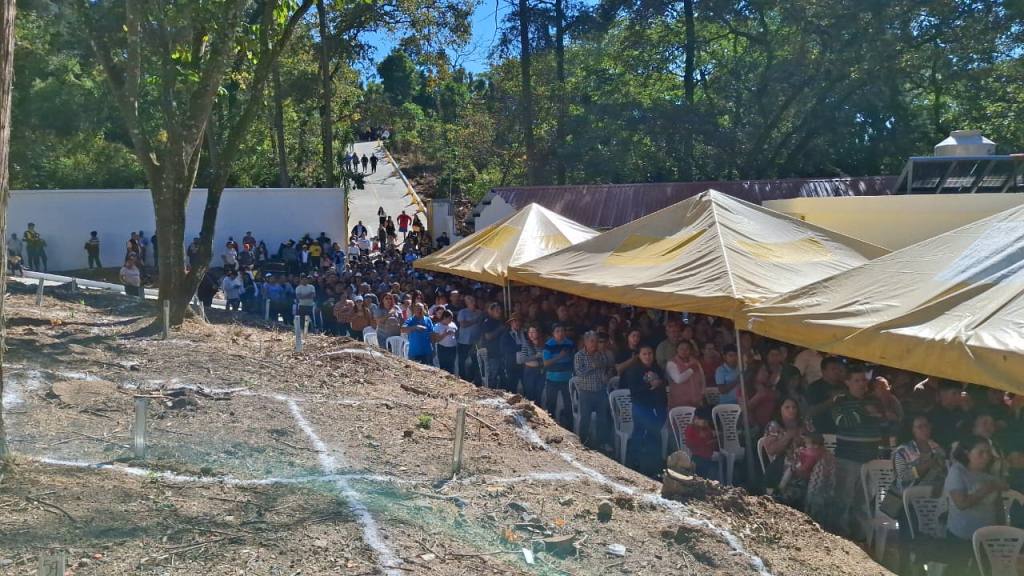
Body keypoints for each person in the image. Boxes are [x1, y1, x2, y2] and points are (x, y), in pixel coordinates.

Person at [831, 364, 887, 539]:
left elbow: (883, 422)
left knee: (863, 502)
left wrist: (867, 414)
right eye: (856, 380)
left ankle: (862, 539)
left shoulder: (874, 401)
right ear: (847, 382)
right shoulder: (840, 401)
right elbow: (842, 421)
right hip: (847, 459)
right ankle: (841, 538)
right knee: (843, 500)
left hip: (870, 460)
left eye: (863, 380)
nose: (861, 384)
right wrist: (863, 413)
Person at [943, 435, 1008, 573]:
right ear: (967, 453)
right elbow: (961, 503)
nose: (986, 457)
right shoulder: (958, 471)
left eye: (988, 453)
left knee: (984, 571)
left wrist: (1001, 530)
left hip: (987, 537)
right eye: (981, 453)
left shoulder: (989, 474)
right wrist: (985, 490)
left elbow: (998, 504)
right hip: (961, 536)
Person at [890, 415, 947, 572]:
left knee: (929, 537)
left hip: (932, 501)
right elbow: (902, 476)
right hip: (906, 502)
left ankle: (923, 567)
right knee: (908, 537)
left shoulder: (937, 449)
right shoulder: (902, 451)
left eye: (926, 425)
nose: (924, 429)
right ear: (912, 430)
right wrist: (925, 465)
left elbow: (944, 473)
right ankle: (904, 568)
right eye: (919, 427)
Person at [621, 344, 668, 475]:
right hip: (641, 406)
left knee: (653, 434)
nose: (648, 356)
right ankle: (634, 462)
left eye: (650, 353)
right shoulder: (634, 370)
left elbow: (663, 385)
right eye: (644, 354)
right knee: (640, 433)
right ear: (639, 356)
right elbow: (634, 390)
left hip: (657, 407)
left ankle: (653, 464)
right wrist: (649, 385)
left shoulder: (657, 368)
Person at [777, 432, 835, 525]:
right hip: (810, 482)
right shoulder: (821, 453)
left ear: (815, 445)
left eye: (807, 444)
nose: (805, 446)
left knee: (791, 488)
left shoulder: (814, 454)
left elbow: (803, 469)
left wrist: (794, 468)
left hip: (807, 483)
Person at [762, 398, 814, 489]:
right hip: (783, 463)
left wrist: (804, 438)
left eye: (794, 407)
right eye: (787, 407)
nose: (792, 410)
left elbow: (816, 440)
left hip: (806, 458)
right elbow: (771, 450)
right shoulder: (774, 426)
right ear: (780, 409)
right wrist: (788, 436)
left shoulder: (803, 424)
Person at [573, 331, 613, 449]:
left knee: (603, 419)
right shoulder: (579, 356)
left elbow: (606, 367)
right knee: (585, 418)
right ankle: (582, 441)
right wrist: (592, 366)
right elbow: (579, 373)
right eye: (592, 341)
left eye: (596, 341)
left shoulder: (600, 355)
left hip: (600, 391)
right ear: (585, 342)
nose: (594, 344)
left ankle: (601, 443)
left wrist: (607, 374)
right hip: (586, 392)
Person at [543, 324, 576, 429]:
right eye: (557, 331)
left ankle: (569, 429)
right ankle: (550, 428)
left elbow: (573, 359)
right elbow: (546, 363)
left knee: (569, 405)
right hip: (552, 380)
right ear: (553, 333)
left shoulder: (570, 343)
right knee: (551, 405)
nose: (560, 333)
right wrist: (559, 357)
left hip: (567, 380)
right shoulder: (548, 344)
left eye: (562, 331)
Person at [805, 356, 846, 434]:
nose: (837, 371)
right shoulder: (814, 387)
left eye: (838, 369)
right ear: (823, 371)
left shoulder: (844, 386)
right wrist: (832, 401)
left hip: (842, 431)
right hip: (822, 431)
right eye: (833, 369)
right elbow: (811, 411)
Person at [666, 340, 705, 411]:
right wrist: (691, 370)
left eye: (687, 349)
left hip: (696, 400)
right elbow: (678, 380)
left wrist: (702, 393)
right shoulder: (671, 363)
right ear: (677, 350)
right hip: (679, 401)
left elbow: (702, 378)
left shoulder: (695, 362)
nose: (684, 351)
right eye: (681, 349)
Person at [456, 295, 483, 382]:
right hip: (464, 341)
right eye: (470, 301)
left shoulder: (479, 312)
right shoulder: (462, 312)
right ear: (466, 303)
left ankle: (477, 380)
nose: (472, 302)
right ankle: (462, 379)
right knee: (462, 361)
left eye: (473, 300)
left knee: (476, 361)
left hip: (475, 342)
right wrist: (475, 321)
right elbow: (462, 324)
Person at [685, 412, 719, 480]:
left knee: (706, 475)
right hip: (697, 456)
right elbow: (689, 443)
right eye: (703, 422)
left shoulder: (706, 428)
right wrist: (700, 438)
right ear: (696, 419)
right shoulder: (691, 428)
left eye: (706, 422)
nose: (705, 424)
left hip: (707, 456)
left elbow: (710, 439)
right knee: (697, 475)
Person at [480, 303, 507, 389]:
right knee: (492, 377)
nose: (499, 311)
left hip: (501, 354)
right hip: (491, 354)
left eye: (500, 309)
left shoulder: (500, 321)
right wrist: (500, 329)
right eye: (497, 310)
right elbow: (488, 336)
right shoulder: (488, 322)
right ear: (490, 311)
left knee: (502, 376)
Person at [519, 325, 546, 403]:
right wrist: (536, 356)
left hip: (540, 372)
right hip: (529, 372)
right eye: (529, 332)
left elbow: (546, 358)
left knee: (538, 394)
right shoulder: (526, 344)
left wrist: (537, 361)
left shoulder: (543, 344)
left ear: (538, 333)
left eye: (533, 332)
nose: (531, 334)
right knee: (530, 395)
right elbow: (523, 359)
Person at [433, 309, 459, 374]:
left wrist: (455, 334)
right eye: (450, 318)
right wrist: (445, 334)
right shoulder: (437, 326)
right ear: (444, 317)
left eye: (452, 318)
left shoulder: (453, 324)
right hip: (442, 348)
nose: (451, 320)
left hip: (452, 348)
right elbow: (436, 340)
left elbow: (457, 334)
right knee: (443, 366)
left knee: (451, 366)